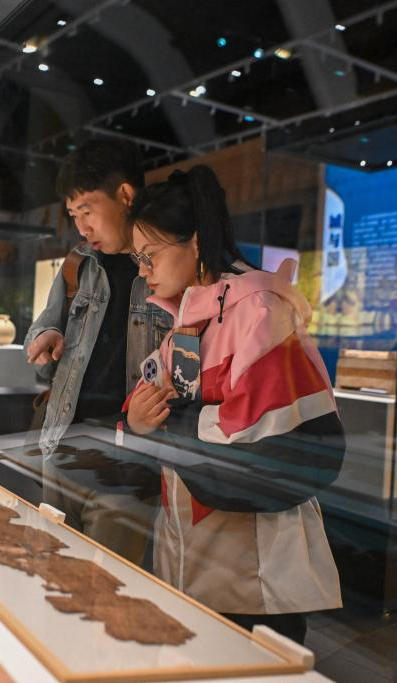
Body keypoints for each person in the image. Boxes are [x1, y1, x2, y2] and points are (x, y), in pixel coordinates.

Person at [119, 166, 344, 644]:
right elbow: (145, 405)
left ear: (196, 243)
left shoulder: (259, 310)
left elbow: (262, 438)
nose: (142, 270)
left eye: (150, 255)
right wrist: (137, 421)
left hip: (254, 578)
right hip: (191, 561)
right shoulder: (187, 321)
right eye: (138, 258)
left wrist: (165, 423)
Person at [23, 139, 172, 565]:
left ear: (125, 195)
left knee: (103, 586)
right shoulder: (80, 264)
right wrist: (45, 336)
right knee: (49, 574)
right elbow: (43, 325)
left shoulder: (165, 268)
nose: (82, 228)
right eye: (74, 216)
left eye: (87, 211)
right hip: (62, 449)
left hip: (127, 469)